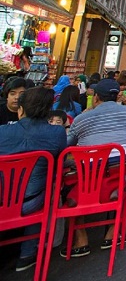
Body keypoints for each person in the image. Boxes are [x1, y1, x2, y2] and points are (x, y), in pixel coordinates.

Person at [64, 79, 126, 257]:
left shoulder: (81, 119)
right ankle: (113, 230)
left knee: (68, 190)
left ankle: (81, 237)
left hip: (87, 178)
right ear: (117, 95)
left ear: (95, 97)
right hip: (120, 175)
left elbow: (67, 146)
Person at [0, 86, 67, 272]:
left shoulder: (2, 132)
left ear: (20, 109)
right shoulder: (56, 133)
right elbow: (62, 161)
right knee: (48, 190)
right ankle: (28, 253)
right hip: (32, 201)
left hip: (2, 201)